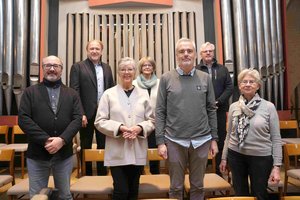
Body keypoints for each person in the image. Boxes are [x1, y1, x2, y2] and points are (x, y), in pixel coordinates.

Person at [155, 38, 218, 200]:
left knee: (198, 186)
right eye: (182, 51)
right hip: (174, 140)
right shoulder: (166, 78)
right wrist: (160, 141)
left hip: (202, 140)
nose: (186, 54)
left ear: (196, 55)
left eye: (189, 51)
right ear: (176, 55)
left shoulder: (205, 78)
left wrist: (214, 139)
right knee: (175, 187)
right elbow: (160, 111)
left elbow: (211, 109)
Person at [18, 56, 82, 199]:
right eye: (48, 65)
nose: (52, 69)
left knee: (64, 195)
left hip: (63, 154)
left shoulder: (72, 93)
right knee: (37, 196)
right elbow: (23, 119)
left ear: (61, 69)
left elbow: (77, 119)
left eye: (56, 66)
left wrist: (62, 140)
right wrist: (46, 140)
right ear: (42, 68)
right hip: (37, 154)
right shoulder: (29, 92)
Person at [94, 57, 155, 200]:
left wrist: (139, 128)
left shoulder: (143, 94)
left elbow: (151, 120)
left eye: (130, 69)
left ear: (135, 72)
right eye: (123, 69)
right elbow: (99, 121)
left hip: (137, 149)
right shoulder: (108, 94)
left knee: (133, 191)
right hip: (117, 151)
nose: (126, 72)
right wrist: (119, 128)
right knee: (121, 191)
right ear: (118, 72)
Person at [219, 68, 282, 200]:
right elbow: (229, 135)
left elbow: (276, 139)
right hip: (235, 155)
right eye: (244, 81)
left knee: (260, 194)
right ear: (240, 86)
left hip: (261, 157)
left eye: (252, 82)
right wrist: (224, 158)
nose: (247, 84)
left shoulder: (268, 107)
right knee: (240, 195)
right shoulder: (233, 107)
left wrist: (276, 166)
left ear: (258, 86)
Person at [70, 39, 114, 175]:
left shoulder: (107, 67)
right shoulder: (78, 67)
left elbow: (111, 90)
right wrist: (80, 113)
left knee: (103, 145)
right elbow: (74, 92)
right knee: (86, 145)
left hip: (104, 114)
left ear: (101, 51)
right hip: (86, 115)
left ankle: (102, 173)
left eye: (97, 49)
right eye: (92, 49)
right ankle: (86, 173)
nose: (94, 51)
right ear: (87, 50)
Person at [196, 42, 233, 175]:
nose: (208, 53)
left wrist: (219, 101)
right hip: (200, 112)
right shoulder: (196, 70)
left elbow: (229, 87)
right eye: (205, 51)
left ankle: (218, 170)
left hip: (220, 111)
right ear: (201, 54)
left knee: (219, 139)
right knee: (201, 140)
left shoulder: (223, 69)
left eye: (210, 51)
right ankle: (202, 171)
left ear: (213, 52)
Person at [133, 56, 160, 174]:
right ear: (141, 68)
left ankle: (155, 172)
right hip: (140, 122)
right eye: (145, 65)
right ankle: (140, 172)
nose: (147, 67)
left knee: (154, 148)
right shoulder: (134, 83)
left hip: (156, 121)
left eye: (150, 65)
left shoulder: (160, 83)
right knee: (140, 149)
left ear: (153, 67)